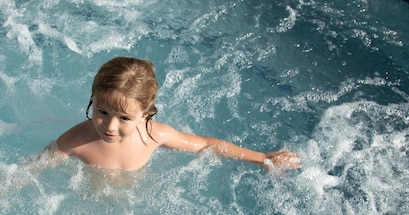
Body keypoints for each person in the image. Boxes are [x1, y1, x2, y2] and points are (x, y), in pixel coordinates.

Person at [46, 56, 301, 172]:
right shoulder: (76, 140)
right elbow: (31, 169)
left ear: (145, 114)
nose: (109, 125)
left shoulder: (155, 135)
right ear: (93, 100)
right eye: (101, 111)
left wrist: (263, 158)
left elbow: (206, 145)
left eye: (124, 118)